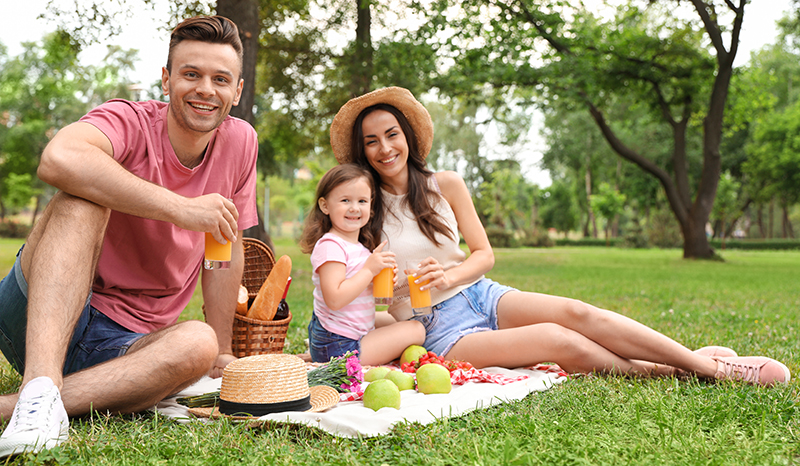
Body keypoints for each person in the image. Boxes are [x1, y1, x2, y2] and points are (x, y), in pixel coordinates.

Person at [328, 86, 791, 387]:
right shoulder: (360, 210)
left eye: (391, 134)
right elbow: (356, 289)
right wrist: (391, 293)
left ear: (407, 135)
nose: (385, 148)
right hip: (438, 329)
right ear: (362, 151)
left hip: (481, 294)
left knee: (576, 312)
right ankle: (686, 369)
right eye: (371, 141)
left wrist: (449, 276)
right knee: (557, 339)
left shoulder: (445, 184)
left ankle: (708, 367)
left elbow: (484, 254)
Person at [0, 15, 258, 456]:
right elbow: (59, 159)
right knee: (82, 197)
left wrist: (222, 348)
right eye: (190, 74)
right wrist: (181, 208)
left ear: (237, 90)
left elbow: (224, 244)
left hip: (127, 346)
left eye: (220, 79)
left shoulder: (241, 142)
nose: (204, 90)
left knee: (198, 341)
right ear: (166, 79)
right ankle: (39, 382)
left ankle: (18, 406)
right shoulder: (129, 120)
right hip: (40, 314)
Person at [299, 164, 425, 366]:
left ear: (371, 206)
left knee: (401, 318)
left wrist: (382, 283)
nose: (354, 208)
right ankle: (326, 359)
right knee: (416, 330)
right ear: (325, 206)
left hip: (348, 334)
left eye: (362, 201)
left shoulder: (359, 248)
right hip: (338, 346)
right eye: (345, 200)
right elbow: (335, 299)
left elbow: (361, 296)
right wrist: (368, 270)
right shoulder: (330, 245)